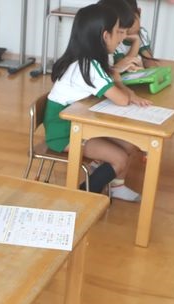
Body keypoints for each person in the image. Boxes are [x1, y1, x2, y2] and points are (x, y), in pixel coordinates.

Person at [44, 3, 151, 201]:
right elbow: (121, 100)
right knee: (119, 158)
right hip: (64, 132)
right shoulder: (88, 66)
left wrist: (120, 82)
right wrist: (120, 81)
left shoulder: (89, 59)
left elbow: (117, 89)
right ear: (105, 36)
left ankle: (115, 186)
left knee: (130, 145)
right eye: (118, 32)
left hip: (79, 122)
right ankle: (85, 195)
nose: (122, 37)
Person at [115, 0, 158, 69]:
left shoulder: (142, 33)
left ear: (139, 12)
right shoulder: (116, 40)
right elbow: (123, 68)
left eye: (132, 22)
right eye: (123, 24)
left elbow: (148, 59)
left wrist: (154, 71)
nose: (129, 28)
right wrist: (136, 41)